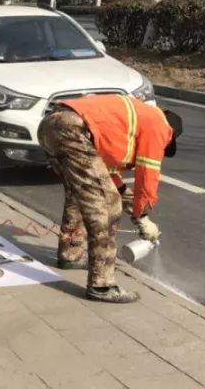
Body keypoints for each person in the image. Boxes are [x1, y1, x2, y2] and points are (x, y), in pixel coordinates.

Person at [37, 93, 182, 304]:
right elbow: (147, 173)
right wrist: (142, 215)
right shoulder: (158, 125)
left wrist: (128, 198)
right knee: (107, 205)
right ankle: (101, 285)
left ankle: (71, 253)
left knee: (79, 195)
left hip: (52, 125)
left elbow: (105, 174)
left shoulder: (132, 119)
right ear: (171, 135)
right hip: (74, 129)